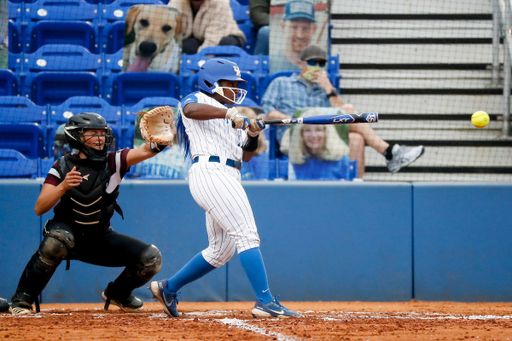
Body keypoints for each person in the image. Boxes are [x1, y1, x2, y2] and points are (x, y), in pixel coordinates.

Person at [149, 58, 300, 318]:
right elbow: (190, 110)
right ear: (211, 82)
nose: (234, 89)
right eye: (229, 83)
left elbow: (248, 156)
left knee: (221, 251)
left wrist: (253, 134)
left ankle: (168, 287)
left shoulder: (232, 116)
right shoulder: (198, 100)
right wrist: (229, 113)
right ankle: (265, 301)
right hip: (211, 172)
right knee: (247, 235)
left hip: (229, 174)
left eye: (236, 84)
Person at [9, 113, 167, 315]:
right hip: (66, 234)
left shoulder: (114, 161)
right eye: (93, 133)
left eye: (102, 133)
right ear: (77, 137)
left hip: (98, 236)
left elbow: (145, 150)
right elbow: (39, 208)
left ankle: (118, 293)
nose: (100, 138)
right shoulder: (62, 165)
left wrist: (160, 142)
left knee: (151, 259)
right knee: (55, 241)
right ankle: (21, 302)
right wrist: (63, 186)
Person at [263, 44, 425, 177]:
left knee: (356, 139)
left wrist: (328, 88)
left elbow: (343, 116)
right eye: (313, 63)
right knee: (348, 109)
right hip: (293, 133)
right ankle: (390, 152)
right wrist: (301, 119)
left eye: (321, 64)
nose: (317, 67)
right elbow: (268, 112)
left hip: (323, 133)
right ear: (300, 64)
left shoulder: (324, 89)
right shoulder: (281, 82)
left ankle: (355, 187)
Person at [282, 108, 353, 180]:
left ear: (326, 132)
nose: (313, 135)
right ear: (301, 134)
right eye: (307, 130)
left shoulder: (342, 162)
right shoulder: (292, 163)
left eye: (318, 130)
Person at [168, 0, 246, 55]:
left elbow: (213, 40)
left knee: (227, 45)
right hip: (197, 38)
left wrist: (197, 61)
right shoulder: (176, 2)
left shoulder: (220, 2)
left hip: (223, 36)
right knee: (188, 45)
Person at [270, 0, 318, 73]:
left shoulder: (321, 65)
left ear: (314, 29)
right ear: (283, 26)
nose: (300, 35)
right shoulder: (272, 63)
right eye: (294, 27)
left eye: (305, 28)